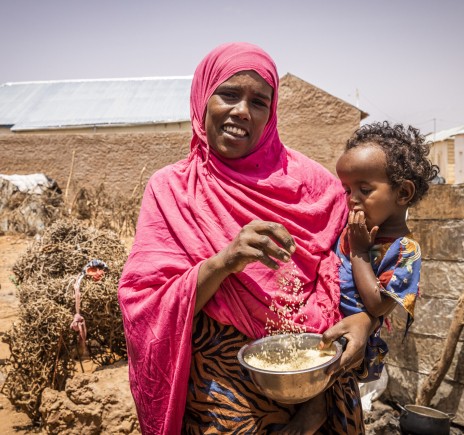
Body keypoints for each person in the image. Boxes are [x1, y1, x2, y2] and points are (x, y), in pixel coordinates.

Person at [118, 42, 377, 435]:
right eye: (229, 94)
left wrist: (362, 320)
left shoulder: (316, 187)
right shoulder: (172, 189)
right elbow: (145, 301)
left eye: (259, 102)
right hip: (223, 395)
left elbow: (352, 273)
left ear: (271, 115)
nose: (242, 110)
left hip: (320, 383)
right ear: (203, 98)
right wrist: (224, 262)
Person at [335, 122, 439, 381]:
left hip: (353, 343)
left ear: (402, 192)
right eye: (347, 189)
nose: (351, 199)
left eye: (365, 190)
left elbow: (378, 304)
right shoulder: (353, 225)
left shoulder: (404, 249)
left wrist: (359, 252)